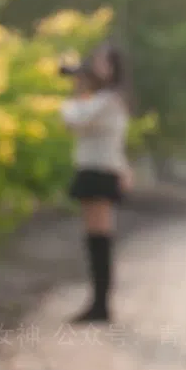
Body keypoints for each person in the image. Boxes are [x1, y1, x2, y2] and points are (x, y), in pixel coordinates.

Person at [61, 43, 132, 325]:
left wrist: (76, 92)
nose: (95, 67)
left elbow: (74, 121)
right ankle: (99, 302)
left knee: (99, 238)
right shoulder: (106, 99)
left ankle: (100, 304)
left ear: (113, 68)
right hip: (98, 169)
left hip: (99, 172)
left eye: (102, 62)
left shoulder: (107, 100)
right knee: (96, 238)